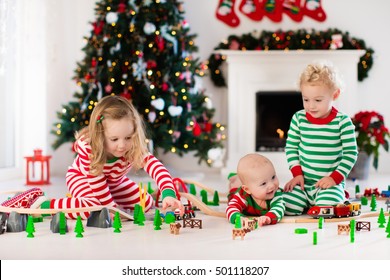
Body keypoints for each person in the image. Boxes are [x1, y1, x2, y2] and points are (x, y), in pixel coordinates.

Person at [2, 95, 184, 218]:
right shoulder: (90, 150)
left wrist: (168, 193)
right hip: (83, 179)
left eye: (128, 137)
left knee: (145, 205)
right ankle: (43, 205)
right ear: (100, 135)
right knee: (95, 208)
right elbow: (98, 186)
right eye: (114, 139)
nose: (122, 145)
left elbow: (155, 166)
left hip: (113, 182)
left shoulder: (131, 145)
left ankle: (114, 203)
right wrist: (110, 209)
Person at [283, 61, 358, 216]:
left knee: (326, 207)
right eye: (306, 99)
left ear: (334, 95)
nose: (311, 106)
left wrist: (334, 178)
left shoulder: (342, 122)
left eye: (318, 100)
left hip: (329, 184)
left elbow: (351, 153)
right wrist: (297, 174)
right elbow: (291, 148)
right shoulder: (298, 118)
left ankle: (334, 196)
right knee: (287, 205)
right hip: (304, 183)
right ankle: (307, 202)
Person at [226, 153, 285, 225]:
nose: (272, 185)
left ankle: (239, 178)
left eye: (273, 177)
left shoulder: (275, 193)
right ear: (247, 190)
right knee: (233, 191)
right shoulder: (243, 195)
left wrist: (268, 217)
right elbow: (230, 208)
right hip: (237, 191)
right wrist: (238, 218)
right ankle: (235, 178)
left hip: (249, 187)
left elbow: (279, 208)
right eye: (263, 183)